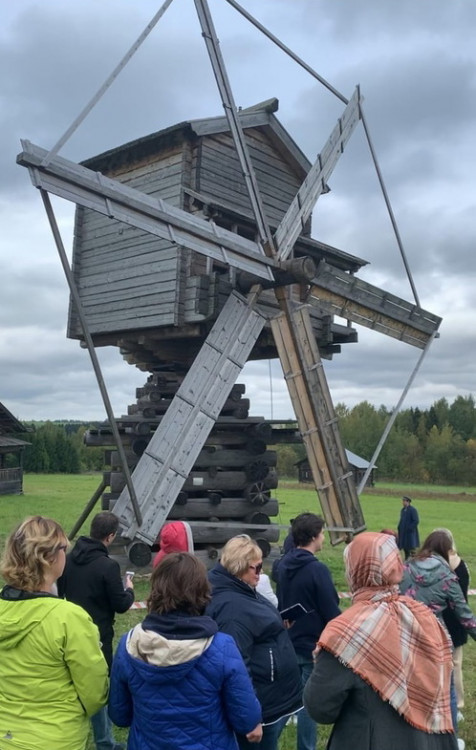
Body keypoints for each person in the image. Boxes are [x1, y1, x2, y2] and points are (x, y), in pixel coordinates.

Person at [304, 531, 458, 750]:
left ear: (354, 570)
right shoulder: (424, 617)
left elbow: (320, 708)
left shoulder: (346, 631)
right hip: (430, 742)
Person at [109, 551, 262, 750]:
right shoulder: (222, 647)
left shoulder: (129, 645)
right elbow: (247, 720)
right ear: (202, 591)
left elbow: (120, 715)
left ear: (156, 589)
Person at [0, 515, 109, 750]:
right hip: (56, 737)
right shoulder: (69, 618)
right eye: (63, 548)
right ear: (48, 557)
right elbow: (95, 692)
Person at [207, 534, 303, 750]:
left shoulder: (239, 588)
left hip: (268, 699)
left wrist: (277, 627)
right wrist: (250, 718)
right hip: (260, 705)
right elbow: (236, 666)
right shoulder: (232, 610)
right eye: (257, 568)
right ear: (239, 566)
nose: (261, 573)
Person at [57, 511, 134, 750]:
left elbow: (59, 593)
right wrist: (129, 589)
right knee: (98, 687)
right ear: (110, 536)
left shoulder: (68, 559)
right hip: (98, 636)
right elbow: (121, 604)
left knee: (72, 682)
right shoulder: (108, 566)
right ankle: (104, 742)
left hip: (69, 631)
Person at [399, 530, 476, 747]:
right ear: (447, 551)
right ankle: (450, 742)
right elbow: (465, 616)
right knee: (447, 693)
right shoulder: (447, 577)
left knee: (411, 694)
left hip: (408, 639)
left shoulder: (405, 568)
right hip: (437, 642)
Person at [276, 513, 340, 750]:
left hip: (288, 638)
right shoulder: (317, 570)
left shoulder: (283, 565)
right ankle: (306, 747)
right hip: (312, 643)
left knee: (287, 699)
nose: (323, 538)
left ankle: (266, 738)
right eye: (321, 533)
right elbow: (330, 607)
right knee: (306, 702)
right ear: (313, 536)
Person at [436, 529, 470, 719]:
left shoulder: (433, 566)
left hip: (438, 619)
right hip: (457, 620)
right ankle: (457, 704)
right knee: (455, 664)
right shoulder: (461, 565)